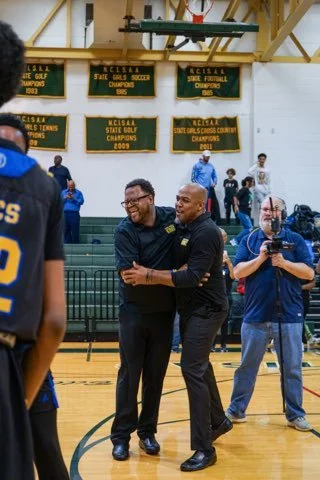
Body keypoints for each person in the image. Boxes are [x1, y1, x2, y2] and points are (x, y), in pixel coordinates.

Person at [122, 183, 232, 472]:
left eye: (185, 200)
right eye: (178, 199)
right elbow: (186, 272)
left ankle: (204, 449)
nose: (179, 205)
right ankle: (219, 421)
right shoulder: (182, 225)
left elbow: (192, 277)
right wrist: (179, 274)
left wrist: (148, 274)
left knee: (191, 369)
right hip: (189, 309)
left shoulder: (205, 231)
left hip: (207, 309)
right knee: (200, 365)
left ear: (201, 206)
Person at [0, 113, 69, 480]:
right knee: (41, 450)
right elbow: (55, 319)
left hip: (24, 352)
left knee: (47, 447)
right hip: (17, 352)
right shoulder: (41, 188)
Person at [226, 196, 314, 432]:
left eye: (274, 209)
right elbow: (237, 272)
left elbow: (308, 273)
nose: (268, 213)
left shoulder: (294, 240)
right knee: (247, 366)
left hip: (289, 315)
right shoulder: (250, 239)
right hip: (255, 315)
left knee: (292, 368)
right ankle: (236, 410)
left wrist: (284, 263)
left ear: (282, 214)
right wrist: (262, 257)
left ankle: (295, 414)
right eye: (265, 208)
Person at [110, 179, 176, 461]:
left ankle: (147, 432)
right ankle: (121, 437)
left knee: (155, 377)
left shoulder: (171, 219)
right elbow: (130, 275)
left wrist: (150, 274)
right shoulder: (125, 230)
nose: (130, 206)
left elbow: (202, 227)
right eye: (126, 202)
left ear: (150, 198)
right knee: (129, 375)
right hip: (133, 312)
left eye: (135, 200)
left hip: (164, 313)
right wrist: (173, 273)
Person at [212, 229, 235, 352]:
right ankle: (212, 345)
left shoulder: (227, 267)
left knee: (225, 322)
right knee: (213, 322)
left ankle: (224, 345)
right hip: (214, 297)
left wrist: (229, 262)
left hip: (226, 296)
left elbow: (233, 276)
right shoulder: (213, 266)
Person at [191, 150, 220, 222]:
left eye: (209, 157)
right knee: (198, 204)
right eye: (206, 156)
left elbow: (214, 176)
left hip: (208, 189)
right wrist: (199, 186)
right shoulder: (197, 166)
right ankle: (197, 219)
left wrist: (214, 182)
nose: (208, 158)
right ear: (203, 156)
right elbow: (193, 178)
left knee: (207, 205)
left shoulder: (211, 166)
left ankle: (205, 220)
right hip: (199, 190)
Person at [230, 176, 253, 246]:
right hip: (242, 211)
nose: (253, 183)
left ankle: (240, 242)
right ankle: (235, 240)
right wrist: (235, 206)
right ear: (247, 182)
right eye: (252, 182)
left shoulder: (248, 190)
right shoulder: (244, 189)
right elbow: (235, 196)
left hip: (246, 212)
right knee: (249, 228)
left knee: (247, 228)